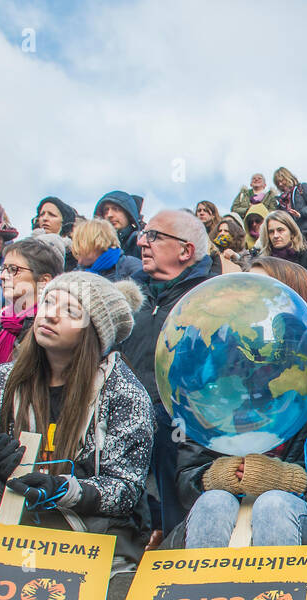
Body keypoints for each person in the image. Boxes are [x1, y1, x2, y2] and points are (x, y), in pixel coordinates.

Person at [0, 272, 154, 568]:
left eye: (70, 311)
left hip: (79, 527)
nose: (50, 316)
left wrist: (61, 488)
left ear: (93, 332)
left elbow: (125, 490)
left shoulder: (125, 393)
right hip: (18, 516)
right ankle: (16, 567)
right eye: (49, 303)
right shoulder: (5, 378)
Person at [173, 257, 307, 551]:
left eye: (261, 292)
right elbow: (186, 479)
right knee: (212, 503)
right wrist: (215, 476)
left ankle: (281, 597)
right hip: (227, 514)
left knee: (273, 505)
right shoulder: (219, 379)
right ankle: (200, 594)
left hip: (304, 515)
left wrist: (287, 478)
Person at [125, 209, 214, 540]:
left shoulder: (210, 296)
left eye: (154, 236)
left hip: (181, 425)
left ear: (185, 251)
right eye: (143, 234)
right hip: (128, 417)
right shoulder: (130, 293)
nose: (142, 242)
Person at [0, 237, 63, 370]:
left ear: (44, 280)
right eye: (4, 269)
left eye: (13, 269)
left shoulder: (51, 327)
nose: (3, 276)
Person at [70, 217, 143, 281]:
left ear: (97, 242)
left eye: (79, 243)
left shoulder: (131, 268)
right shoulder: (77, 274)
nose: (76, 250)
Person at [273, 167, 307, 250]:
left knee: (306, 255)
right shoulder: (281, 200)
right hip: (294, 233)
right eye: (278, 183)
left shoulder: (302, 188)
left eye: (282, 181)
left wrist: (300, 213)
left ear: (288, 178)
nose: (280, 184)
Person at [93, 190, 144, 258]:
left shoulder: (141, 242)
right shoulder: (96, 245)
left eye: (116, 209)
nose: (109, 215)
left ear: (128, 214)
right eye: (106, 210)